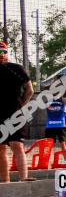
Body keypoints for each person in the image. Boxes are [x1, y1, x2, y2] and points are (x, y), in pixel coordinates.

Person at [0, 41, 33, 182]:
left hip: (16, 113)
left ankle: (23, 180)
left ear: (7, 53)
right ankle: (5, 183)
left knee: (17, 145)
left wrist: (21, 105)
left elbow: (29, 90)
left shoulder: (17, 69)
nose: (1, 55)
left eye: (3, 52)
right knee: (1, 148)